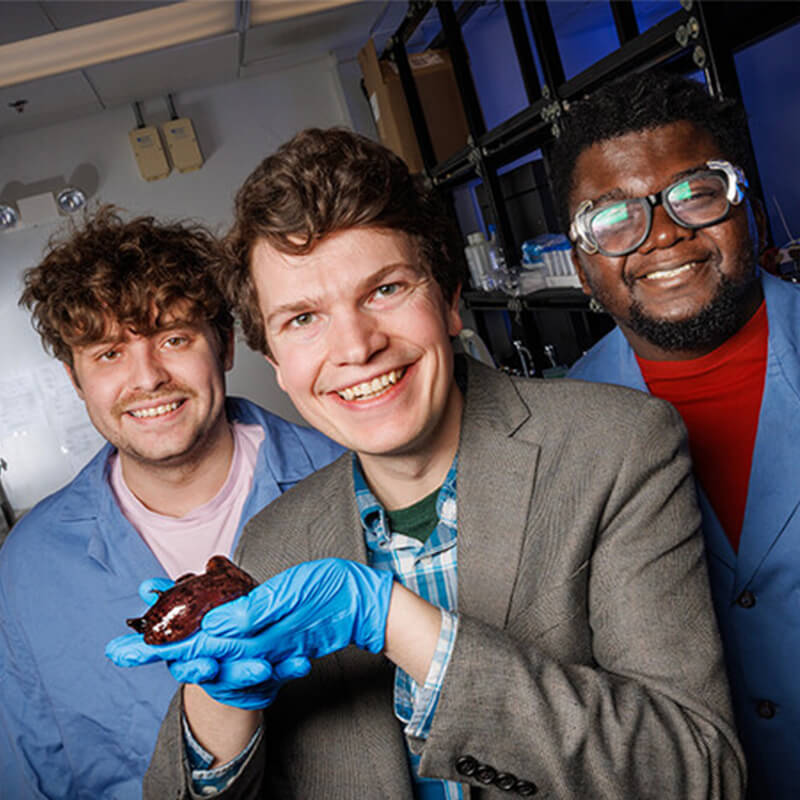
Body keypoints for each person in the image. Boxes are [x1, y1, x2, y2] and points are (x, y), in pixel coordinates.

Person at [108, 128, 745, 799]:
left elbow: (698, 776)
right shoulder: (273, 539)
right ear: (275, 362)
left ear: (447, 300)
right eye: (302, 319)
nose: (356, 347)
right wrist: (221, 707)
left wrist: (390, 619)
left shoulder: (615, 448)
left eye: (385, 289)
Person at [0, 207, 344, 799]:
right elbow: (30, 775)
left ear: (226, 346)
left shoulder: (350, 478)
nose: (149, 377)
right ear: (76, 378)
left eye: (174, 338)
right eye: (109, 353)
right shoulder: (28, 565)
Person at [559, 70, 800, 799]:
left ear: (746, 206)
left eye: (697, 193)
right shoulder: (559, 429)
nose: (663, 236)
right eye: (612, 220)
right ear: (579, 261)